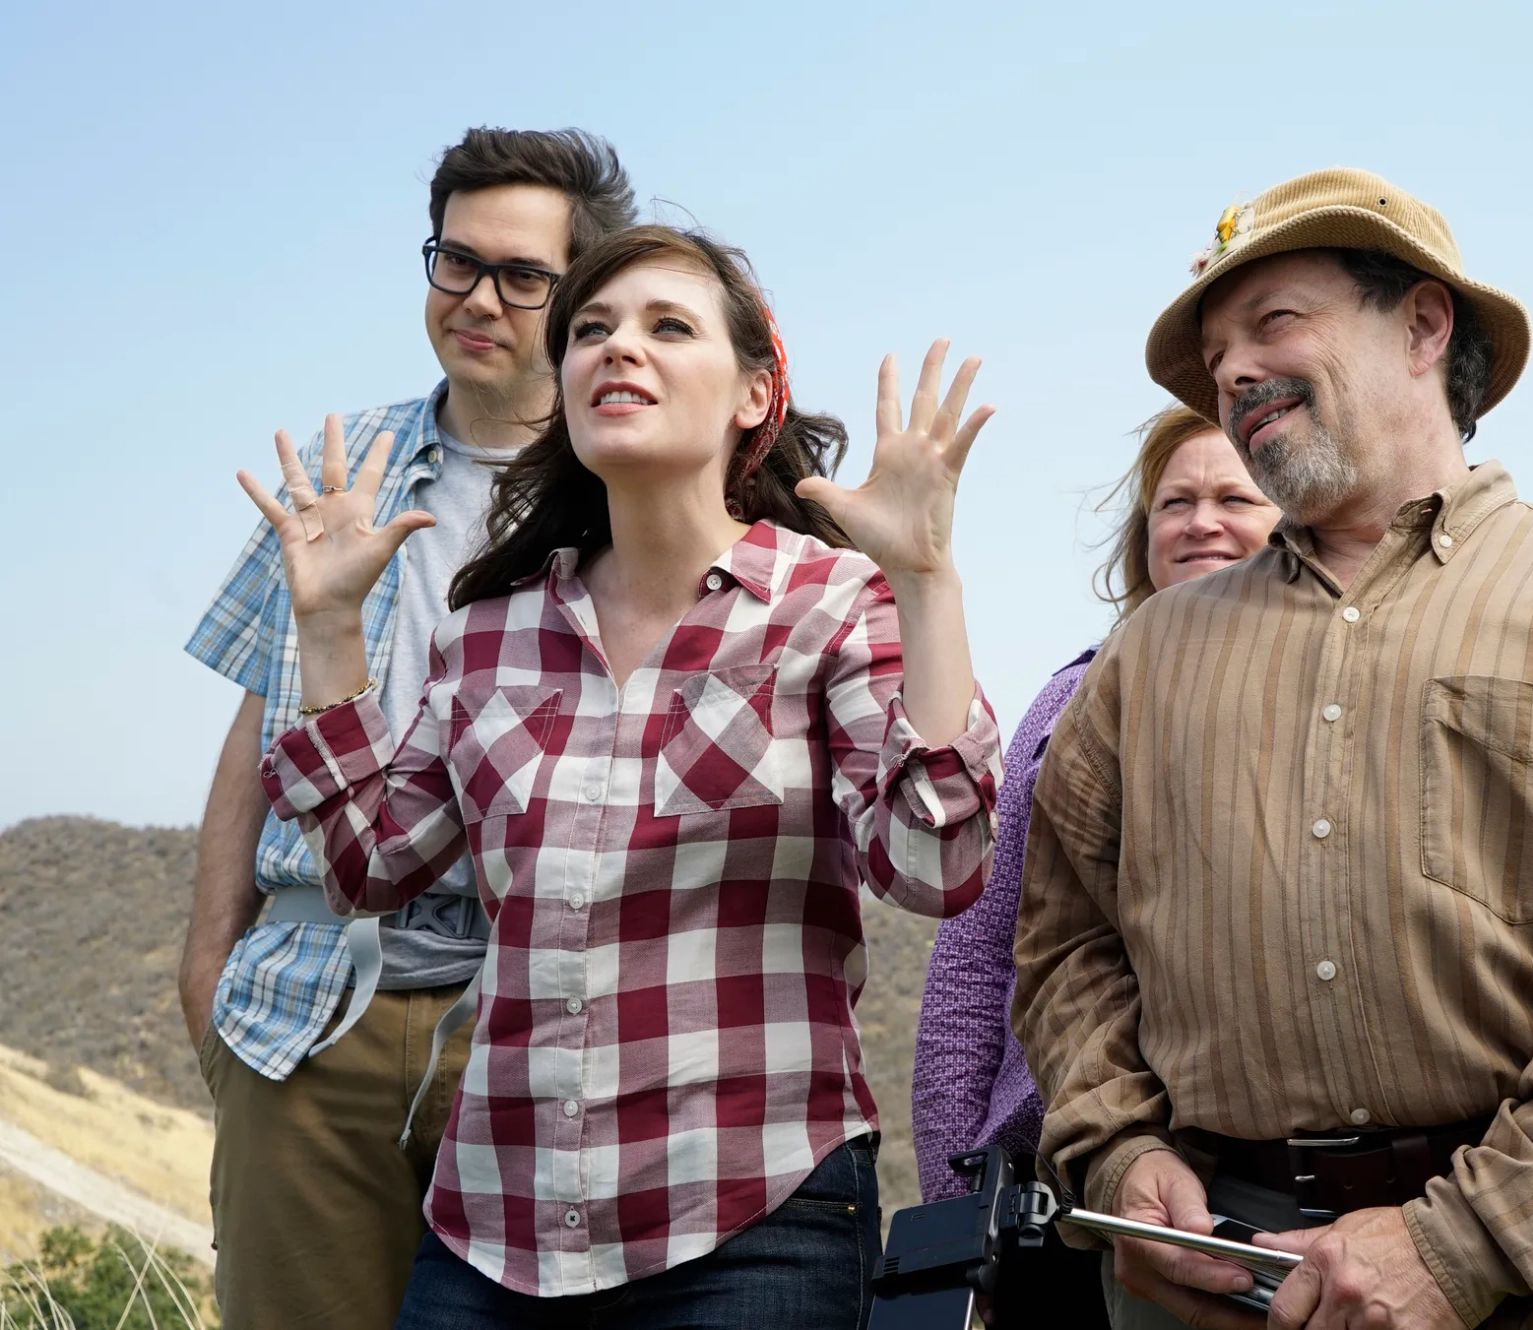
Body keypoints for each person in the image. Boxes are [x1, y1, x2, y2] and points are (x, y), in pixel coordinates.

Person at [1012, 167, 1533, 1330]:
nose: (1234, 371)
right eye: (1217, 350)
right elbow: (1066, 938)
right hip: (1215, 1274)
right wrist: (1115, 1145)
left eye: (1275, 322)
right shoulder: (1148, 655)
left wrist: (1458, 1242)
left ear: (1424, 326)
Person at [238, 223, 1003, 1327]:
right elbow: (368, 866)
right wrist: (326, 628)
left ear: (753, 393)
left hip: (753, 1218)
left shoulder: (831, 601)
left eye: (667, 326)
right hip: (492, 1229)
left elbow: (936, 865)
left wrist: (926, 580)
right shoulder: (491, 626)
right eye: (590, 330)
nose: (616, 349)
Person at [180, 126, 634, 1328]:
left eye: (523, 276)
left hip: (539, 1019)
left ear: (579, 294)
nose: (480, 298)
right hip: (308, 1013)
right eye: (457, 261)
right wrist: (204, 971)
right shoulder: (348, 468)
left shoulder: (631, 484)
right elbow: (254, 727)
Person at [912, 404, 1280, 1323]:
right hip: (1058, 1190)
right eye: (1174, 502)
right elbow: (974, 959)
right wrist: (956, 1216)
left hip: (1251, 1185)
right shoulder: (1071, 698)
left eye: (1236, 496)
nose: (1201, 521)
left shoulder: (1344, 693)